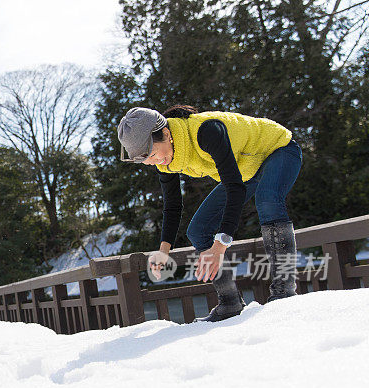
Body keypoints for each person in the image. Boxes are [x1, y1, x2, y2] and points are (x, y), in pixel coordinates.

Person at [117, 105, 302, 322]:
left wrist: (219, 246)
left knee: (268, 200)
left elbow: (234, 188)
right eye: (147, 160)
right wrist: (163, 251)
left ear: (166, 134)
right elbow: (173, 206)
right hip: (246, 169)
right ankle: (230, 303)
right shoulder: (167, 163)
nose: (155, 162)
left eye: (154, 154)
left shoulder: (206, 131)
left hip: (278, 149)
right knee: (197, 230)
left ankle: (284, 291)